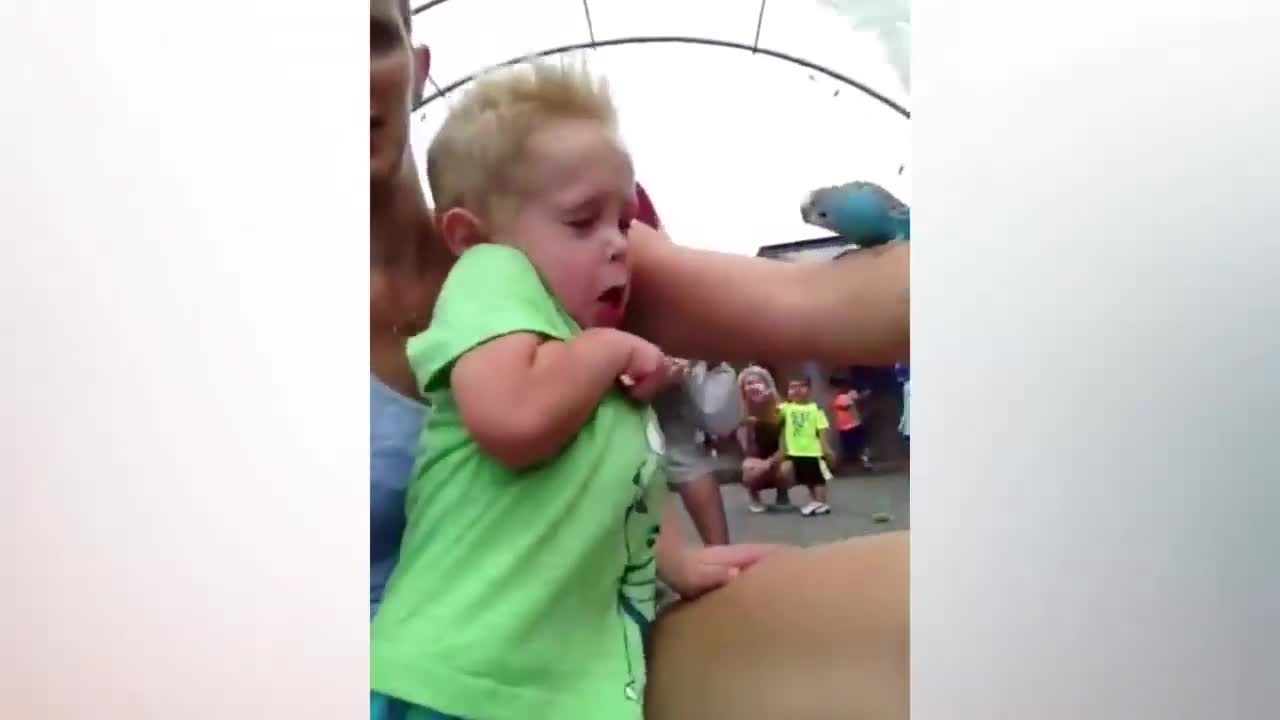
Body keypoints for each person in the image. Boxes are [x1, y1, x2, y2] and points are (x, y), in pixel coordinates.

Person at [370, 3, 908, 718]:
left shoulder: (571, 276)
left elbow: (823, 305)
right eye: (585, 220)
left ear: (417, 66)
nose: (618, 241)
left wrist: (680, 561)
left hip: (550, 669)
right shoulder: (499, 278)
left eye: (370, 36)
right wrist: (610, 350)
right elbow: (511, 417)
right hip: (446, 681)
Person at [736, 365, 794, 513]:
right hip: (757, 459)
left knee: (786, 469)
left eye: (757, 382)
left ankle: (782, 494)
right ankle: (754, 496)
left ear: (767, 385)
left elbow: (786, 447)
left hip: (778, 458)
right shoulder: (742, 413)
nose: (753, 386)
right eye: (748, 384)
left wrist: (768, 464)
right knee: (748, 468)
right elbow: (748, 451)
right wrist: (750, 423)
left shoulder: (782, 410)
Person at [780, 377, 837, 517]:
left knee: (817, 478)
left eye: (801, 386)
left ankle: (821, 502)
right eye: (792, 387)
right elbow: (772, 412)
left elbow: (822, 431)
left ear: (809, 390)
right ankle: (815, 500)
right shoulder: (786, 408)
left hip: (812, 451)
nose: (797, 390)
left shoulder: (816, 409)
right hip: (795, 451)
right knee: (807, 479)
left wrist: (827, 450)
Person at [830, 377, 872, 471]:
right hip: (843, 427)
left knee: (861, 445)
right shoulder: (837, 397)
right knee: (848, 447)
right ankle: (851, 463)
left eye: (838, 387)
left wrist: (863, 395)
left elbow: (849, 404)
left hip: (854, 425)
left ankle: (866, 462)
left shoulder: (851, 394)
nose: (836, 389)